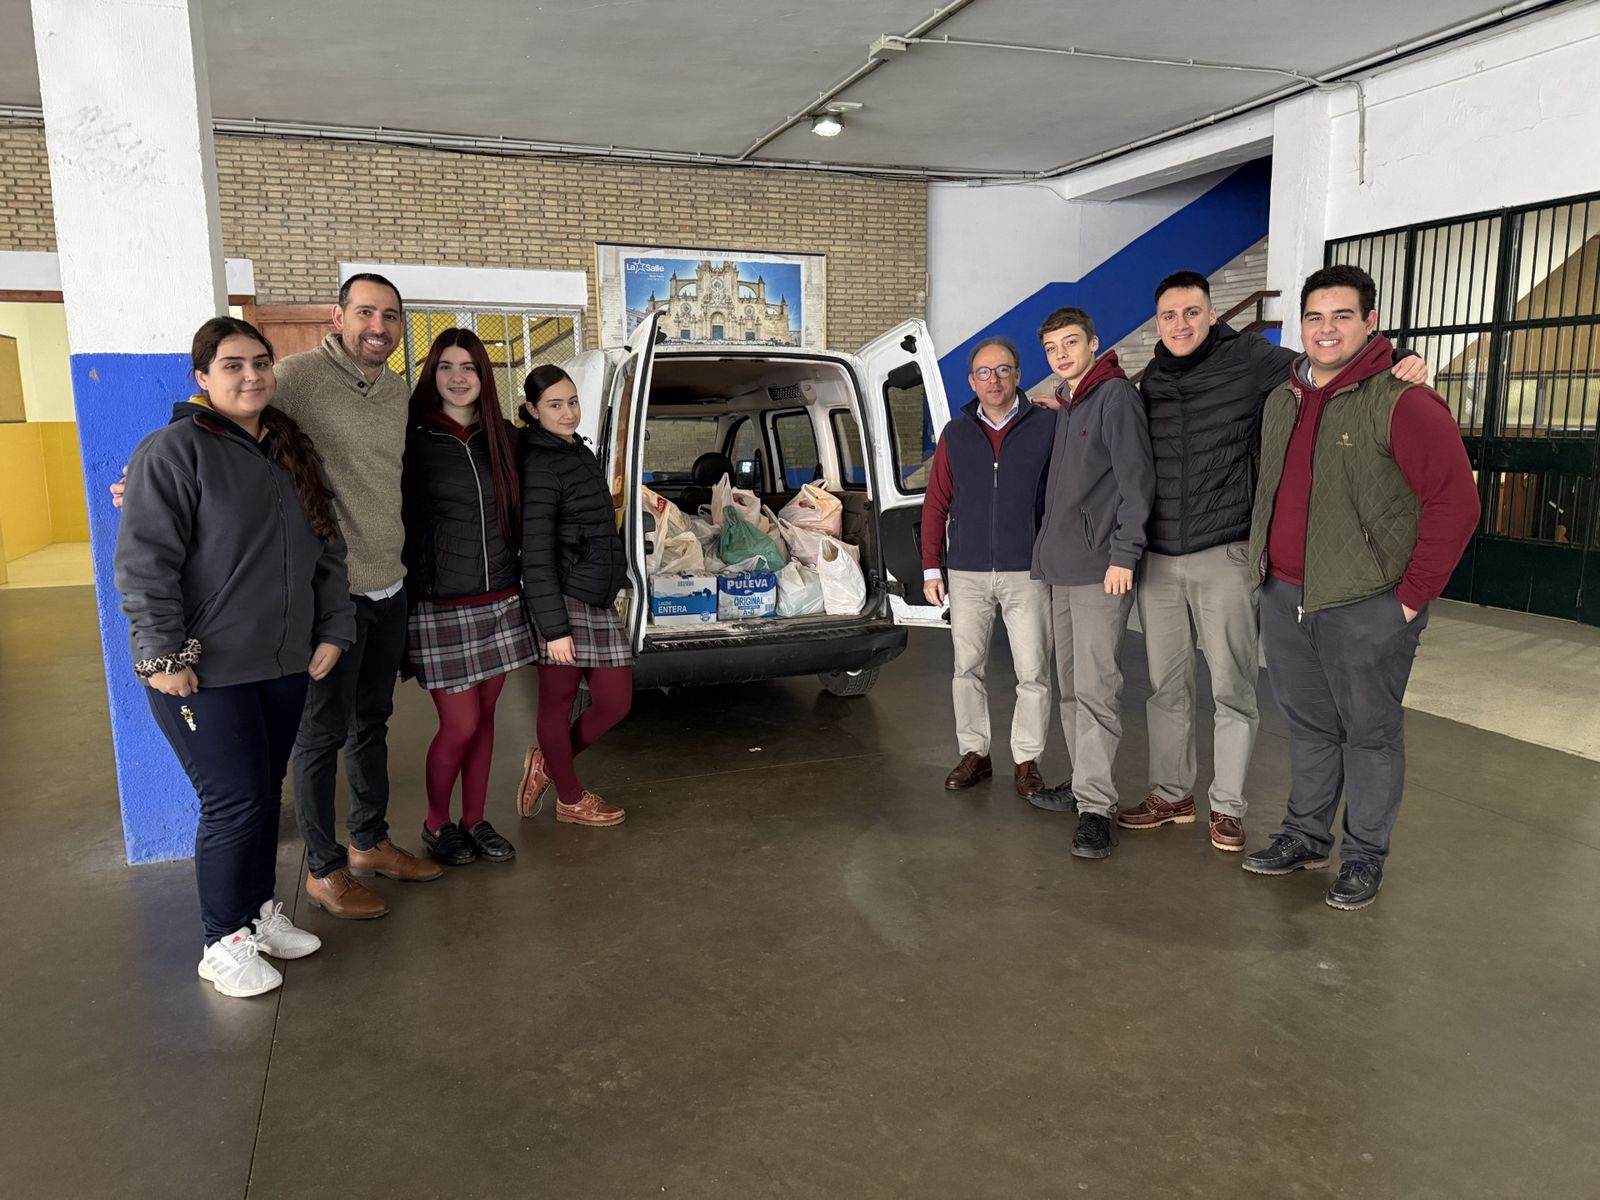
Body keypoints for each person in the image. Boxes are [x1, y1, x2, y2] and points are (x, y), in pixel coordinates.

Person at [1130, 271, 1430, 853]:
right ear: (1158, 323)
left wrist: (1402, 358)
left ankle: (1227, 807)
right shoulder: (1154, 379)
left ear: (1212, 314)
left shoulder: (1251, 359)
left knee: (1231, 685)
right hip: (1160, 557)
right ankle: (1171, 794)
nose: (1180, 324)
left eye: (1192, 313)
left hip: (1225, 549)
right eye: (1169, 316)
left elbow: (1328, 357)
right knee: (1165, 686)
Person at [114, 317, 355, 998]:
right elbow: (144, 565)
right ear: (202, 376)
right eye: (232, 365)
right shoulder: (173, 451)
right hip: (203, 669)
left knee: (262, 793)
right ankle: (221, 943)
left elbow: (327, 551)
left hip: (282, 662)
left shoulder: (288, 448)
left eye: (260, 362)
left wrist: (332, 629)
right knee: (234, 799)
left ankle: (255, 916)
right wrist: (163, 656)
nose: (251, 376)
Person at [1242, 264, 1478, 910]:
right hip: (1285, 596)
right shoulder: (1282, 398)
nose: (1326, 329)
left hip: (1367, 603)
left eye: (1342, 316)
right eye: (1314, 317)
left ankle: (1364, 856)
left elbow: (1457, 504)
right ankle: (1305, 835)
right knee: (1309, 727)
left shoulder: (1404, 401)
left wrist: (1409, 599)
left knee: (1370, 734)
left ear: (1370, 323)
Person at [400, 329, 534, 866]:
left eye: (469, 367)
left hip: (500, 599)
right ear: (432, 374)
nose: (458, 377)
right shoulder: (411, 435)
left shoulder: (502, 437)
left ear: (484, 376)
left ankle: (475, 819)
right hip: (440, 603)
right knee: (459, 724)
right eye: (446, 367)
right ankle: (437, 823)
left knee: (486, 717)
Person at [1030, 307, 1154, 860]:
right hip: (1061, 568)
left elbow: (1135, 482)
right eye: (1052, 347)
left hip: (1101, 569)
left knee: (1098, 689)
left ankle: (1097, 808)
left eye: (1071, 342)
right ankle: (1084, 784)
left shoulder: (1116, 397)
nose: (1061, 354)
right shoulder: (1071, 402)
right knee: (1071, 686)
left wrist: (1124, 555)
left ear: (1094, 343)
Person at [921, 336, 1055, 799]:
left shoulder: (1047, 426)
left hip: (1028, 570)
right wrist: (931, 567)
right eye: (984, 372)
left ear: (1018, 375)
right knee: (967, 668)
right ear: (971, 381)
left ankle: (1027, 760)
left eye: (1002, 370)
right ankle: (975, 753)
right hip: (967, 571)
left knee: (1033, 672)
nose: (993, 380)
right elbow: (936, 501)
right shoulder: (956, 434)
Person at [512, 366, 633, 827]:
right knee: (557, 704)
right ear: (532, 410)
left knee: (615, 702)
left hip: (596, 596)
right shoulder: (540, 464)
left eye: (573, 401)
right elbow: (535, 553)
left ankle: (547, 764)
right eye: (555, 405)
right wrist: (554, 628)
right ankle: (569, 798)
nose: (568, 413)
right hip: (563, 600)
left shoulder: (577, 450)